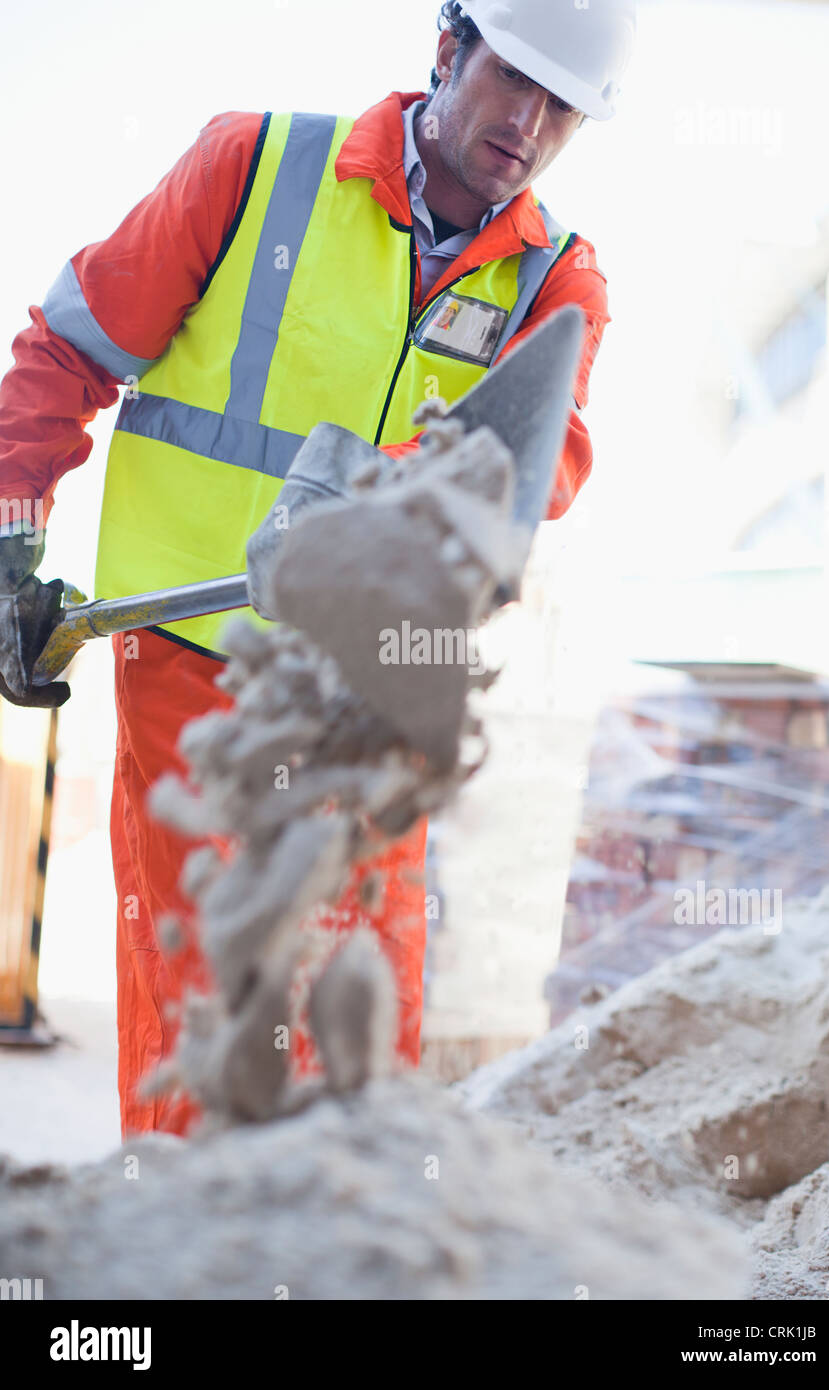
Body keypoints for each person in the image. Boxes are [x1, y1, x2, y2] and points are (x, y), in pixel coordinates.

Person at [0, 0, 635, 1136]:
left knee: (358, 1020)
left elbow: (541, 466)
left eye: (563, 107)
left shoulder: (555, 283)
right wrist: (11, 542)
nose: (528, 125)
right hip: (197, 676)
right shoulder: (254, 168)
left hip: (372, 700)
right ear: (447, 49)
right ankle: (188, 1249)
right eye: (511, 80)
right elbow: (65, 351)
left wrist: (379, 488)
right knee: (208, 995)